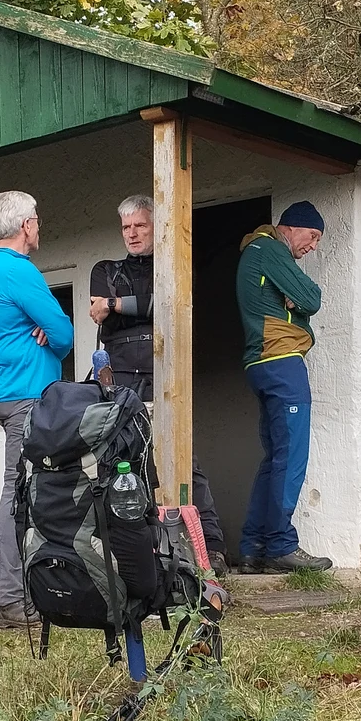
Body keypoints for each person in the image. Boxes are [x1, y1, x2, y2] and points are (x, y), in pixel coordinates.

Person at [89, 194, 228, 572]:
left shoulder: (174, 265)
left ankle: (211, 548)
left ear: (157, 226)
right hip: (119, 380)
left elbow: (168, 305)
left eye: (140, 225)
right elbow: (101, 311)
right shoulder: (106, 269)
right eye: (126, 227)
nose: (132, 234)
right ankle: (131, 553)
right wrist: (135, 306)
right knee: (122, 462)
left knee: (184, 461)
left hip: (166, 375)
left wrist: (116, 305)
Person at [0, 191, 75, 629]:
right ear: (25, 225)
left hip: (7, 391)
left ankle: (23, 593)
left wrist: (42, 326)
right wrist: (48, 330)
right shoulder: (18, 269)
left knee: (25, 492)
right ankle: (8, 602)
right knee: (16, 494)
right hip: (28, 394)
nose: (38, 226)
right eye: (36, 219)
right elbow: (64, 333)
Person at [235, 201, 333, 572]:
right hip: (281, 362)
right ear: (291, 227)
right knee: (291, 457)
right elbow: (312, 297)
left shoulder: (256, 251)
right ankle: (280, 545)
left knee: (275, 459)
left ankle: (253, 547)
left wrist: (294, 299)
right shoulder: (270, 249)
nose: (313, 246)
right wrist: (300, 301)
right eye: (313, 236)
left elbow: (300, 296)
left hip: (260, 364)